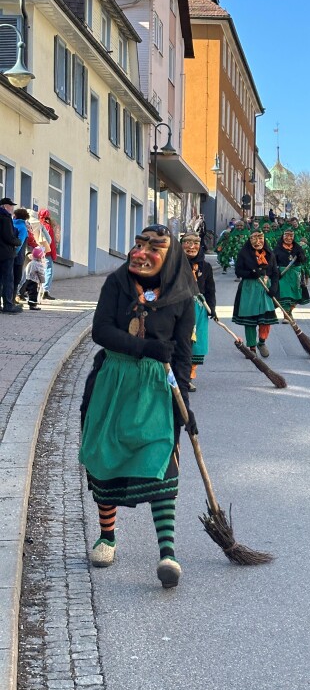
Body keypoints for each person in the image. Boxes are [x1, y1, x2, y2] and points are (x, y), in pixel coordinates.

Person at [78, 224, 197, 589]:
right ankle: (107, 538)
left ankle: (168, 553)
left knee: (160, 461)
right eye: (139, 243)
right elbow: (101, 330)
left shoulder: (181, 298)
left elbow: (182, 353)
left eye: (153, 247)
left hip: (156, 390)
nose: (141, 252)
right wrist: (144, 348)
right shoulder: (116, 284)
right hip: (113, 381)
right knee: (106, 457)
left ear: (170, 256)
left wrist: (184, 408)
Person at [233, 230, 279, 357]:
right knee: (250, 320)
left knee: (266, 319)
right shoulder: (244, 254)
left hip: (265, 288)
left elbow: (275, 272)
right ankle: (252, 347)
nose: (258, 242)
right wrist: (251, 273)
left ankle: (262, 341)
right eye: (255, 239)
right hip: (249, 289)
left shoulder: (270, 255)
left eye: (260, 239)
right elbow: (238, 271)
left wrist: (274, 287)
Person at [180, 233, 217, 392]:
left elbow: (210, 289)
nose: (191, 246)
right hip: (179, 307)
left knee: (197, 344)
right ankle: (178, 375)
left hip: (199, 308)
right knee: (180, 342)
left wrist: (212, 308)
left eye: (195, 243)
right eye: (187, 243)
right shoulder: (174, 264)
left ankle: (189, 377)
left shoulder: (205, 267)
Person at [274, 226, 309, 317]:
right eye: (286, 236)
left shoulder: (298, 248)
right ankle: (287, 315)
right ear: (283, 236)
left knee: (295, 296)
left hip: (295, 275)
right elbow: (273, 262)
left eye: (291, 236)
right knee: (285, 294)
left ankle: (289, 311)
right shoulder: (277, 248)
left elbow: (303, 260)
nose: (288, 238)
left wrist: (301, 255)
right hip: (283, 274)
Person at [0, 197, 22, 314]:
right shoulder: (6, 218)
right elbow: (8, 237)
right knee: (8, 279)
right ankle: (8, 305)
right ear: (5, 206)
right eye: (10, 206)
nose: (12, 208)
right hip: (6, 253)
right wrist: (17, 241)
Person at [38, 208, 57, 300]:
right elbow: (50, 242)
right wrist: (53, 254)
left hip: (37, 251)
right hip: (46, 252)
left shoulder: (37, 224)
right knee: (48, 271)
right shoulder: (48, 226)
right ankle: (45, 291)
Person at [12, 207, 29, 302]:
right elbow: (20, 243)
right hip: (17, 257)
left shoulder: (11, 224)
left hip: (8, 256)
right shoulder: (23, 228)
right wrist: (15, 254)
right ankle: (12, 299)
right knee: (16, 279)